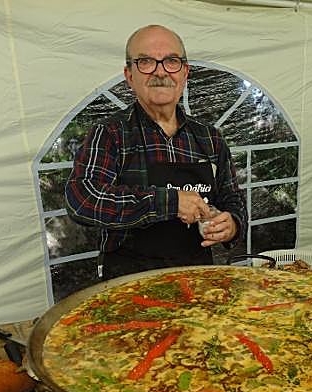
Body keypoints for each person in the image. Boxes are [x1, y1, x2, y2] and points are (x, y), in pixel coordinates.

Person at [65, 25, 246, 279]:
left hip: (198, 276)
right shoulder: (110, 133)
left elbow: (233, 199)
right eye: (146, 62)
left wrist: (232, 224)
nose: (160, 72)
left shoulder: (210, 137)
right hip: (130, 281)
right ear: (129, 75)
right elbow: (82, 200)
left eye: (171, 61)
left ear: (185, 73)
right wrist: (169, 203)